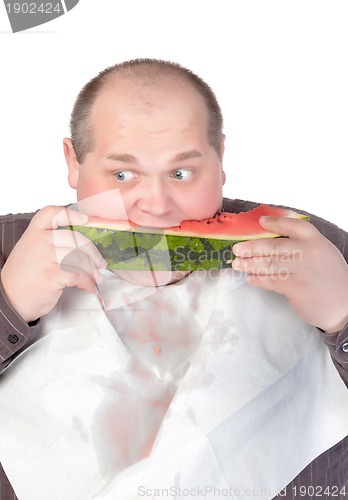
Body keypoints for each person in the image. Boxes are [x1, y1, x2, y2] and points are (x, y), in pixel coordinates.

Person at [0, 58, 347, 500]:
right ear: (73, 162)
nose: (156, 205)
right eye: (122, 174)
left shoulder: (311, 244)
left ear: (220, 160)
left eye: (181, 173)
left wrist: (343, 314)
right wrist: (7, 306)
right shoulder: (6, 246)